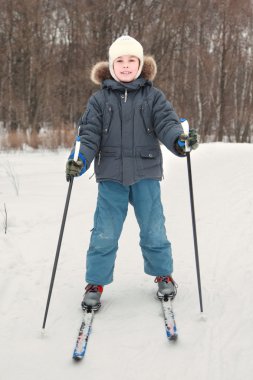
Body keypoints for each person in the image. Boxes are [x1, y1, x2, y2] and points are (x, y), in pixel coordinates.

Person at [66, 35, 199, 310]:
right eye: (120, 61)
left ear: (140, 65)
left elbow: (168, 124)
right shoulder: (99, 100)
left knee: (153, 229)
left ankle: (163, 274)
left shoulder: (153, 97)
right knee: (104, 232)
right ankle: (95, 282)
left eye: (131, 60)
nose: (126, 66)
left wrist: (179, 141)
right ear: (111, 65)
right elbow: (88, 136)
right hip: (111, 176)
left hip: (146, 173)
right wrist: (78, 160)